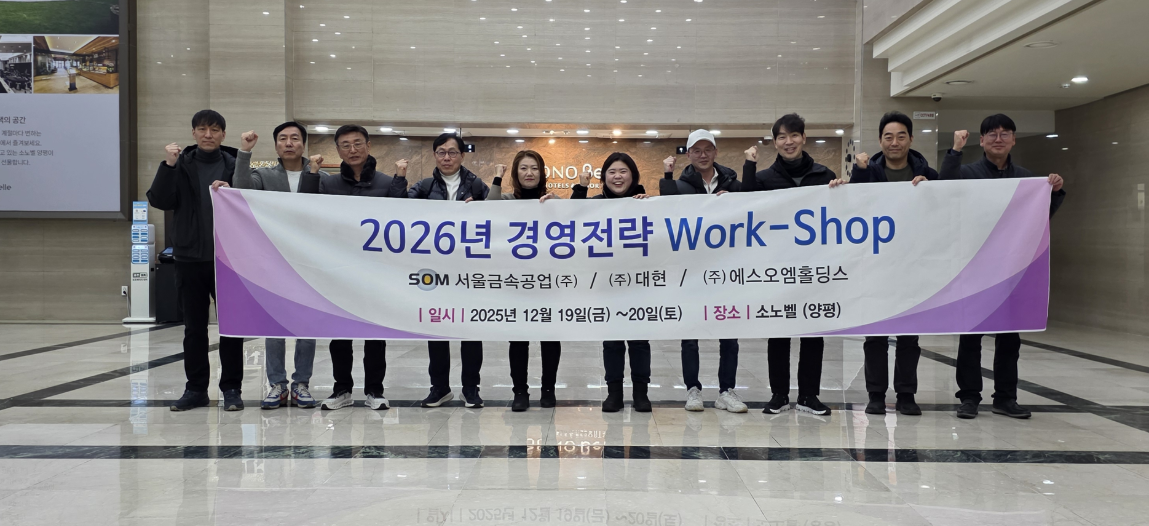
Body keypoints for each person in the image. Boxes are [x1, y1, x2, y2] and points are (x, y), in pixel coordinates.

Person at [941, 113, 1066, 420]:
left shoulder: (1027, 179)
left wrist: (1055, 192)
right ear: (982, 140)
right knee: (970, 337)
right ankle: (969, 397)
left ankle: (1005, 398)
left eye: (1005, 134)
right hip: (975, 268)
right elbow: (944, 188)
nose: (998, 139)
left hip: (1012, 271)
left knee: (1010, 339)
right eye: (992, 134)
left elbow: (1039, 218)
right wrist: (955, 151)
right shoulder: (967, 173)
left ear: (1013, 139)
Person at [741, 113, 846, 416]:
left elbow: (840, 215)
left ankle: (809, 395)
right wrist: (749, 166)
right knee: (779, 331)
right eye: (782, 137)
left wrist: (841, 191)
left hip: (814, 267)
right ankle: (779, 395)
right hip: (778, 268)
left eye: (794, 135)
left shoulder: (824, 175)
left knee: (814, 331)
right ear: (775, 142)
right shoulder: (764, 179)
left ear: (803, 138)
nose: (789, 142)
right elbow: (745, 206)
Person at [215, 122, 325, 409]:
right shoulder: (263, 176)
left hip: (309, 263)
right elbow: (241, 189)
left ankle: (301, 383)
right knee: (274, 324)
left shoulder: (320, 176)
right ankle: (277, 383)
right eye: (283, 138)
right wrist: (244, 152)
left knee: (307, 325)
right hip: (273, 261)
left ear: (303, 144)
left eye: (295, 138)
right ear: (276, 145)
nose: (289, 143)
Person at [301, 124, 408, 411]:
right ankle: (342, 389)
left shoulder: (387, 182)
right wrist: (312, 173)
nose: (352, 149)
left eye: (358, 143)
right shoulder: (329, 184)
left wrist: (400, 180)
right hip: (340, 269)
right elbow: (305, 207)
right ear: (338, 150)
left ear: (368, 146)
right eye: (345, 145)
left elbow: (401, 216)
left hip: (376, 270)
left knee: (375, 334)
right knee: (340, 333)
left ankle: (375, 390)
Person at [146, 109, 246, 412]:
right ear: (193, 133)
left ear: (223, 134)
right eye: (202, 129)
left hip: (228, 259)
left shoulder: (234, 164)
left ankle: (231, 388)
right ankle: (195, 389)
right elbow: (160, 200)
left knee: (231, 328)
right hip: (190, 258)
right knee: (194, 328)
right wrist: (168, 165)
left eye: (214, 129)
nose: (208, 134)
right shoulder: (180, 164)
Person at [849, 111, 938, 417]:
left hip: (913, 266)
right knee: (875, 336)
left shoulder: (928, 175)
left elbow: (945, 211)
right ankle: (875, 394)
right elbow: (852, 206)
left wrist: (931, 190)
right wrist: (855, 174)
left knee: (909, 337)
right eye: (888, 136)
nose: (895, 142)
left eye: (901, 136)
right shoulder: (868, 172)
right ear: (880, 141)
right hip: (876, 266)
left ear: (911, 139)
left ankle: (906, 394)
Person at [658, 129, 746, 413]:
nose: (703, 155)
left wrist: (734, 202)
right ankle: (692, 389)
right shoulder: (681, 185)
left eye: (708, 149)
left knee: (729, 333)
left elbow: (752, 211)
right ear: (689, 154)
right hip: (692, 270)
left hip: (726, 269)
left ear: (716, 152)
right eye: (697, 150)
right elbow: (667, 211)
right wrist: (667, 175)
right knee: (690, 334)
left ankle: (726, 390)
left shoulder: (733, 183)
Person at [409, 133, 490, 408]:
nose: (447, 157)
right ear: (434, 155)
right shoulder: (424, 186)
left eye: (452, 152)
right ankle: (440, 388)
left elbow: (495, 218)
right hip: (435, 270)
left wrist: (479, 210)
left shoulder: (477, 185)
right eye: (441, 152)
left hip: (468, 270)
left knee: (470, 331)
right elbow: (397, 208)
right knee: (437, 330)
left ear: (462, 156)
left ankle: (471, 388)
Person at [571, 152, 653, 412]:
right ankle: (614, 392)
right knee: (612, 342)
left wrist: (650, 205)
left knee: (639, 342)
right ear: (604, 177)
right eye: (612, 172)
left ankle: (641, 393)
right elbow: (572, 217)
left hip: (639, 284)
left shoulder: (646, 203)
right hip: (607, 285)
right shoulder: (596, 203)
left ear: (633, 176)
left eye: (623, 171)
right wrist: (580, 188)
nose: (618, 177)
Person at [486, 150, 561, 411]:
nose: (529, 173)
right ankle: (520, 391)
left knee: (550, 338)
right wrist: (497, 178)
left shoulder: (553, 200)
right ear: (516, 173)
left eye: (535, 168)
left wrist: (555, 205)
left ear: (542, 172)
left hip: (548, 282)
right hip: (516, 282)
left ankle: (549, 389)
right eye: (524, 168)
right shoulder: (506, 200)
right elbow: (489, 209)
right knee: (518, 339)